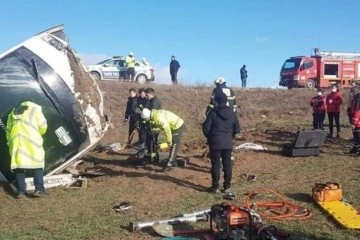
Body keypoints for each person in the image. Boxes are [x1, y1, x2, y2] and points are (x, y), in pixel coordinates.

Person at [6, 101, 48, 199]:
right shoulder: (35, 110)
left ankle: (20, 192)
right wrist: (37, 133)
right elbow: (43, 126)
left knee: (18, 166)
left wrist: (10, 143)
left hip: (16, 141)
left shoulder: (13, 113)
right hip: (31, 140)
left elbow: (8, 131)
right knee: (37, 164)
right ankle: (39, 189)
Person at [202, 93, 240, 193]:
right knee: (227, 164)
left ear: (216, 101)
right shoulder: (232, 113)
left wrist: (210, 137)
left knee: (216, 164)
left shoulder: (213, 113)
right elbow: (237, 129)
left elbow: (206, 128)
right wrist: (231, 137)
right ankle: (227, 187)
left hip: (215, 142)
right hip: (227, 143)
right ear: (226, 100)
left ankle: (215, 187)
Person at [348, 85, 360, 154]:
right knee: (355, 135)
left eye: (351, 92)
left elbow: (357, 112)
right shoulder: (354, 99)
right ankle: (355, 148)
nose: (350, 94)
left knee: (358, 135)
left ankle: (358, 150)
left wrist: (353, 122)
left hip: (357, 122)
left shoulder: (358, 99)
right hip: (355, 120)